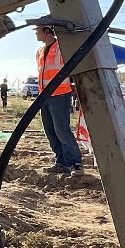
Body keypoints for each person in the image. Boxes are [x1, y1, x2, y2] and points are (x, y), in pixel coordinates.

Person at [34, 25, 83, 174]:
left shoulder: (62, 47)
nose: (36, 33)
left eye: (38, 30)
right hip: (44, 96)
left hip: (60, 94)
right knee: (50, 130)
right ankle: (61, 162)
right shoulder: (40, 52)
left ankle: (75, 163)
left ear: (47, 31)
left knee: (62, 130)